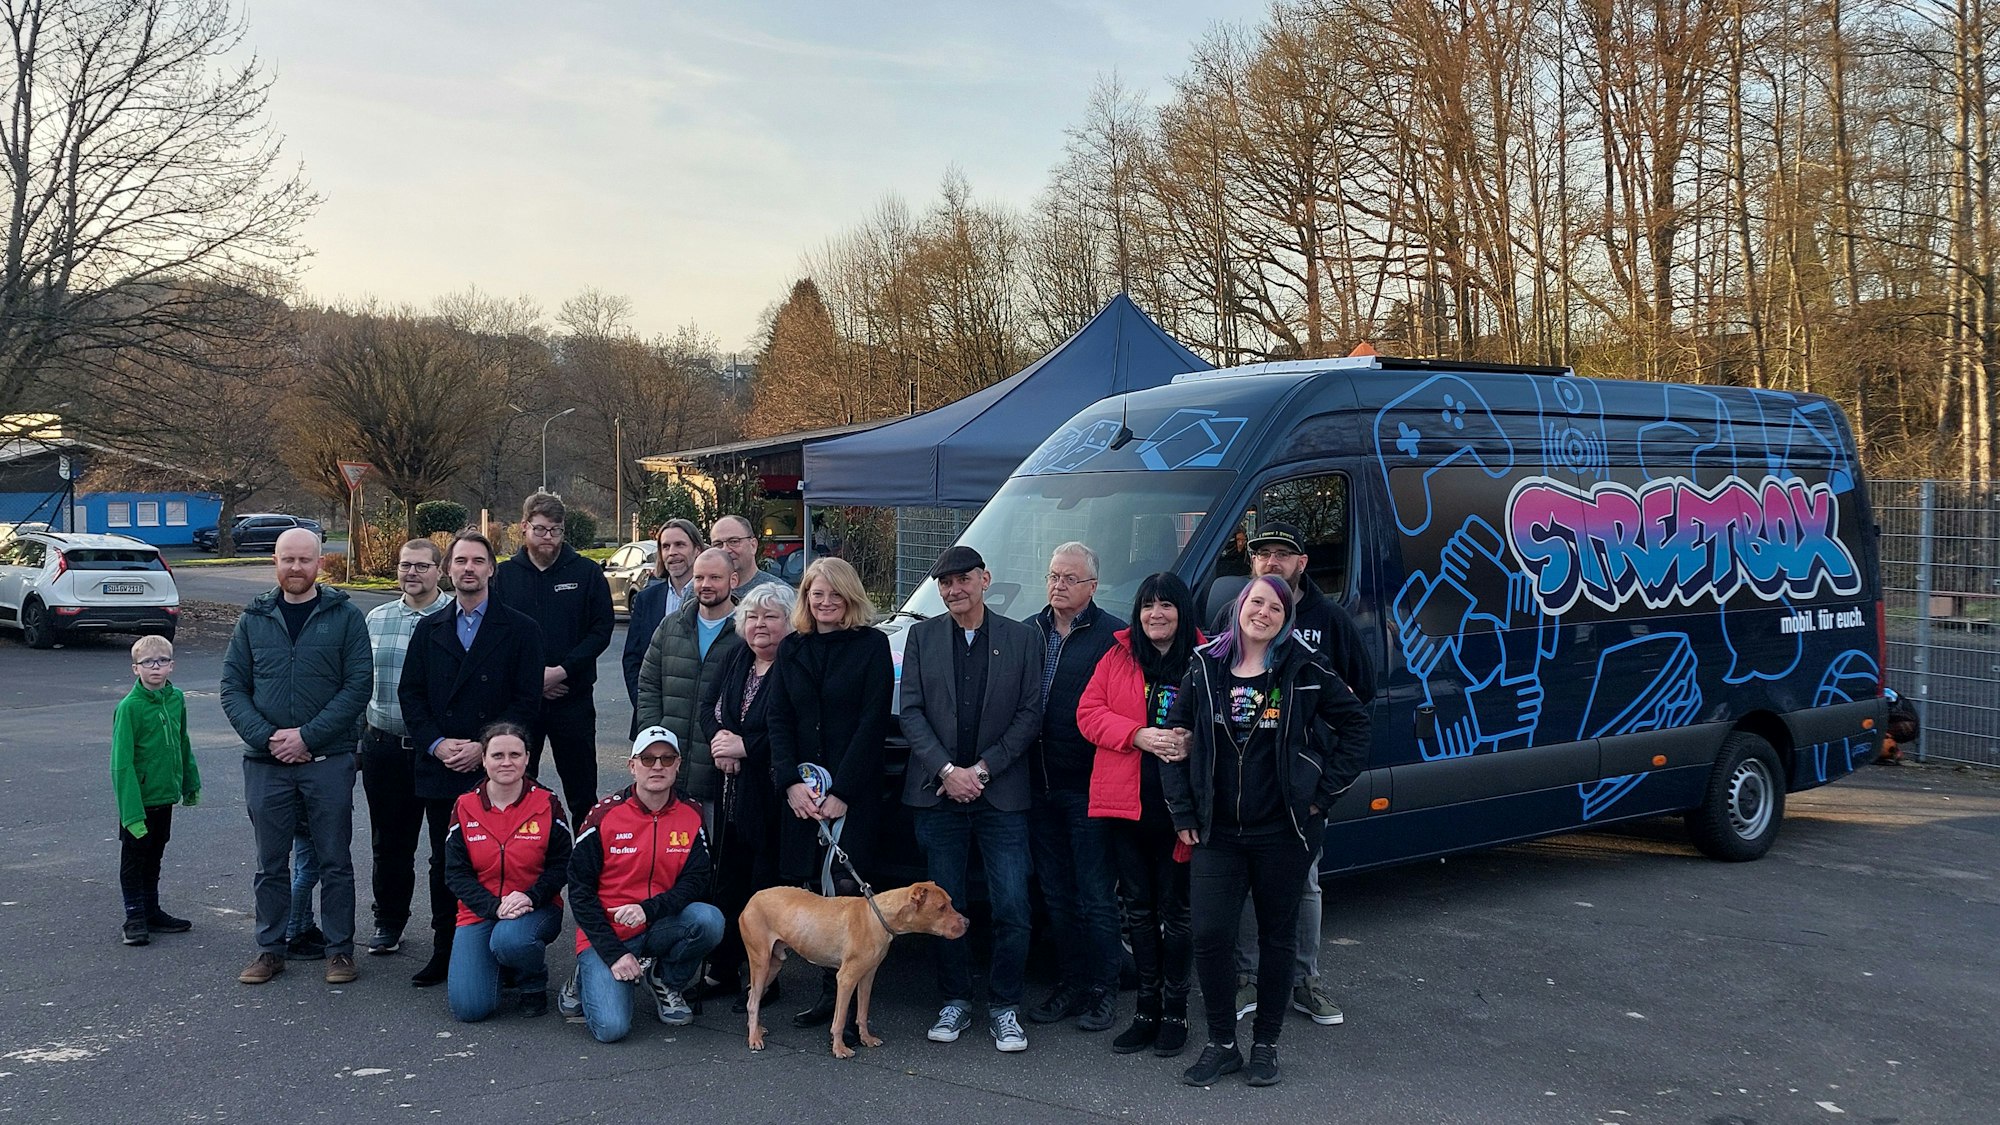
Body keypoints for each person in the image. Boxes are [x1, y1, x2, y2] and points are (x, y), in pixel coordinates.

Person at [1164, 575, 1369, 1088]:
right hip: (1217, 834)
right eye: (1257, 602)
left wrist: (1323, 795)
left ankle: (1266, 1046)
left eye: (1275, 607)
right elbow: (1175, 741)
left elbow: (1357, 726)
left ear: (1285, 618)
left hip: (1285, 831)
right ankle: (1221, 1044)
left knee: (1278, 939)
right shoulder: (1204, 666)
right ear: (1239, 607)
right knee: (1210, 936)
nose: (1264, 613)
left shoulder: (1305, 668)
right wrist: (1184, 813)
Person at [1221, 520, 1378, 1029]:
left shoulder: (1329, 620)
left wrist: (1323, 780)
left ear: (1302, 564)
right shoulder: (1234, 613)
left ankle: (1303, 980)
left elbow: (1360, 696)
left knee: (1305, 884)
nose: (1272, 562)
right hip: (1244, 788)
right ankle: (1247, 976)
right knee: (1245, 884)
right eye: (1263, 554)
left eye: (1283, 555)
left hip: (1298, 792)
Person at [899, 545, 1044, 1053]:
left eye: (963, 579)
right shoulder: (921, 636)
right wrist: (947, 770)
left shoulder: (1023, 639)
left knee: (1013, 905)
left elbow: (1030, 715)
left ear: (986, 578)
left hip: (1000, 795)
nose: (954, 589)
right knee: (942, 907)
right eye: (945, 583)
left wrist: (979, 771)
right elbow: (911, 712)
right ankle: (955, 1000)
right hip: (937, 794)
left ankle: (1005, 1007)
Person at [221, 527, 372, 986]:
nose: (295, 568)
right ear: (275, 561)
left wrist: (307, 736)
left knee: (335, 862)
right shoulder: (254, 618)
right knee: (270, 864)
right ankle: (270, 949)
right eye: (287, 559)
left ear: (319, 562)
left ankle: (340, 952)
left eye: (304, 560)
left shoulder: (345, 616)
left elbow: (357, 686)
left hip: (328, 761)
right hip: (266, 764)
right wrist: (269, 738)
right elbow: (233, 689)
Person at [400, 530, 546, 987]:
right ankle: (446, 949)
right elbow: (412, 695)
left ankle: (510, 951)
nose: (468, 569)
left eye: (477, 561)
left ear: (491, 570)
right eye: (460, 561)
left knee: (510, 859)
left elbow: (527, 702)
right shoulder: (429, 630)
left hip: (500, 768)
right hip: (442, 765)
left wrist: (484, 747)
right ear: (448, 570)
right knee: (448, 862)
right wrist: (437, 744)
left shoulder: (522, 629)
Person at [1077, 572, 1202, 1058]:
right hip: (1126, 809)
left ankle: (1176, 1012)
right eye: (1148, 606)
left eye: (1166, 606)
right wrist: (1137, 734)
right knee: (1141, 913)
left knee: (1179, 916)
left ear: (1182, 611)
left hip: (1181, 814)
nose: (1156, 615)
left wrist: (1196, 739)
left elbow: (1232, 719)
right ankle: (1146, 1011)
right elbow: (1088, 713)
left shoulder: (1208, 658)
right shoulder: (1118, 655)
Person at [766, 557, 893, 1033]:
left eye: (834, 594)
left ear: (850, 597)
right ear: (806, 598)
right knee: (808, 894)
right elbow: (778, 719)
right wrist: (790, 784)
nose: (825, 603)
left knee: (844, 894)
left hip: (850, 795)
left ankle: (844, 998)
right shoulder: (792, 648)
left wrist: (843, 792)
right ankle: (824, 992)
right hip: (801, 795)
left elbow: (872, 722)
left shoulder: (872, 646)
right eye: (817, 594)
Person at [564, 727, 725, 1044]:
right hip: (607, 932)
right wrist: (612, 953)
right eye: (648, 758)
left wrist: (647, 910)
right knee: (611, 1029)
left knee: (709, 920)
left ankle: (666, 980)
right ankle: (585, 976)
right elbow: (579, 891)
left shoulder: (691, 813)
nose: (657, 766)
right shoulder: (603, 815)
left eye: (667, 758)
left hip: (656, 921)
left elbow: (697, 881)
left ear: (678, 764)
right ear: (632, 765)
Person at [1023, 543, 1125, 1033]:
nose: (1057, 584)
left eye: (1069, 577)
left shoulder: (1112, 638)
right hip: (1036, 786)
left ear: (1091, 587)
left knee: (1095, 895)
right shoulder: (1028, 631)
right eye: (1052, 575)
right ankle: (1070, 983)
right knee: (1056, 894)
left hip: (1088, 787)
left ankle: (1103, 990)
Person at [696, 581, 796, 1011]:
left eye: (771, 616)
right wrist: (720, 740)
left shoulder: (794, 664)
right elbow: (707, 709)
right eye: (753, 616)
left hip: (772, 797)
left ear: (790, 623)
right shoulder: (737, 658)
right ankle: (721, 968)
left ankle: (765, 982)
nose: (760, 625)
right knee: (728, 884)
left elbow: (791, 727)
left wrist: (746, 748)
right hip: (731, 791)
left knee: (765, 892)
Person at [494, 491, 614, 827]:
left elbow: (600, 631)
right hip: (520, 704)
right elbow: (496, 638)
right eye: (541, 529)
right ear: (524, 527)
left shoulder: (587, 573)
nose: (549, 538)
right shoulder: (503, 577)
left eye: (556, 530)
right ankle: (522, 864)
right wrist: (534, 681)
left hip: (572, 700)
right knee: (516, 788)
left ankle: (585, 871)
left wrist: (562, 672)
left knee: (582, 793)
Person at [442, 722, 572, 1021]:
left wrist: (530, 896)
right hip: (481, 910)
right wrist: (493, 906)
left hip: (535, 908)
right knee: (470, 1010)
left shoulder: (546, 803)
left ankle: (532, 982)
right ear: (484, 759)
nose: (506, 762)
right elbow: (455, 873)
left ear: (527, 757)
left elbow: (563, 863)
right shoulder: (465, 806)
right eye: (497, 755)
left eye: (515, 754)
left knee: (511, 940)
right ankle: (500, 966)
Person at [358, 538, 451, 956]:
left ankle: (445, 930)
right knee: (390, 844)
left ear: (439, 570)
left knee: (443, 848)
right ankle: (388, 922)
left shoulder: (455, 618)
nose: (412, 573)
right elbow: (359, 684)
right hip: (385, 747)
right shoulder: (375, 619)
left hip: (437, 753)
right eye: (404, 566)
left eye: (421, 566)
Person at [636, 547, 743, 822]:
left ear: (733, 581)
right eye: (699, 578)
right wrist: (654, 736)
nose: (705, 585)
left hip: (718, 772)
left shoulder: (746, 634)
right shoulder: (671, 626)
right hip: (672, 768)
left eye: (715, 578)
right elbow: (648, 685)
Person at [112, 634, 201, 947]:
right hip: (139, 802)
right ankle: (134, 917)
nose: (155, 667)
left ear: (171, 666)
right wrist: (130, 813)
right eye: (148, 662)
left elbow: (182, 742)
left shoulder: (176, 699)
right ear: (136, 669)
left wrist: (190, 782)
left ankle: (152, 911)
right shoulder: (130, 708)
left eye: (162, 661)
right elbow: (121, 764)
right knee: (134, 860)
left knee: (155, 855)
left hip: (165, 797)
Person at [622, 518, 704, 738]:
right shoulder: (646, 599)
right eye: (665, 546)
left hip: (700, 721)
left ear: (697, 549)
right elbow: (632, 658)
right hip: (653, 718)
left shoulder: (710, 596)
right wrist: (643, 706)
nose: (672, 552)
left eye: (680, 545)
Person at [710, 513, 782, 599]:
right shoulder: (700, 591)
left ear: (753, 545)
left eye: (734, 542)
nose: (725, 550)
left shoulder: (779, 594)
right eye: (718, 544)